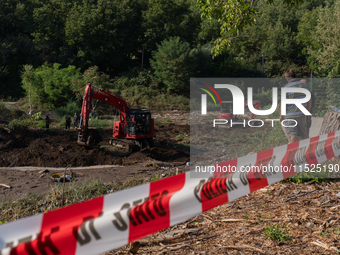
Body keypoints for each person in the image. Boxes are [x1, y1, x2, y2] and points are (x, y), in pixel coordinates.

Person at [280, 69, 312, 143]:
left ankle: (293, 153)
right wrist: (307, 113)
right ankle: (307, 152)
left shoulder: (286, 87)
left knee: (292, 135)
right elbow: (309, 100)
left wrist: (281, 115)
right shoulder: (304, 85)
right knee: (304, 135)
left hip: (290, 115)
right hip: (301, 114)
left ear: (287, 78)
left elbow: (284, 103)